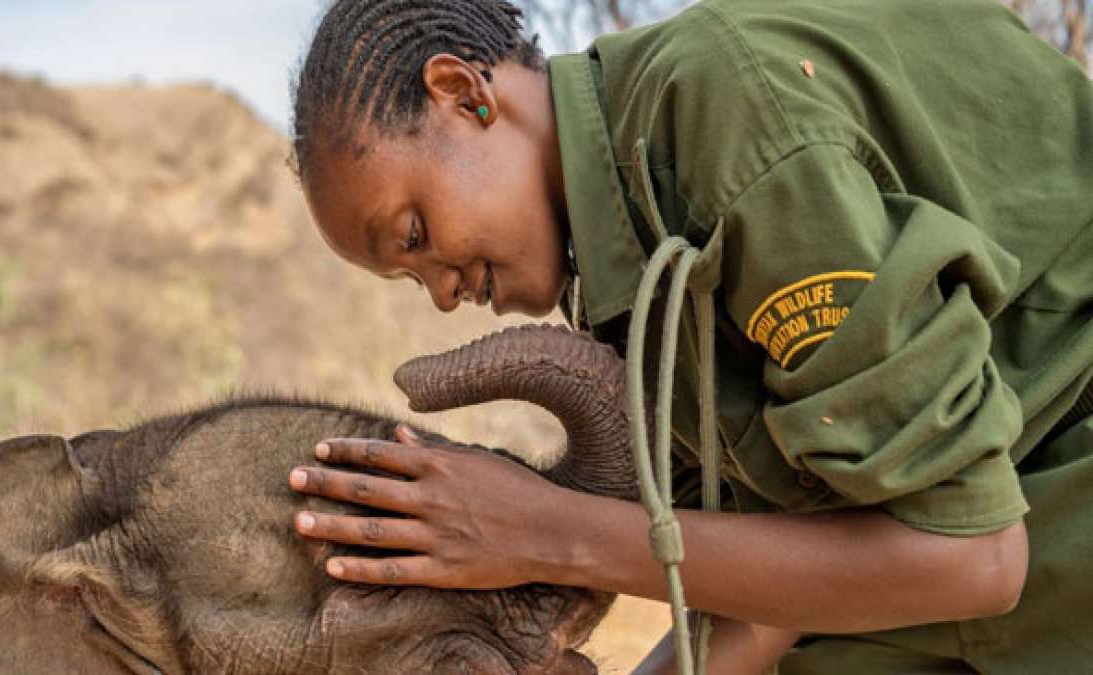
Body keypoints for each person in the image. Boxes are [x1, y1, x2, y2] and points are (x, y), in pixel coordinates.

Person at [284, 0, 1093, 672]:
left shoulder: (719, 122)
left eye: (416, 231)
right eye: (408, 278)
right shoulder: (621, 271)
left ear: (464, 95)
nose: (442, 293)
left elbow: (975, 555)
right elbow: (775, 596)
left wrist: (541, 534)